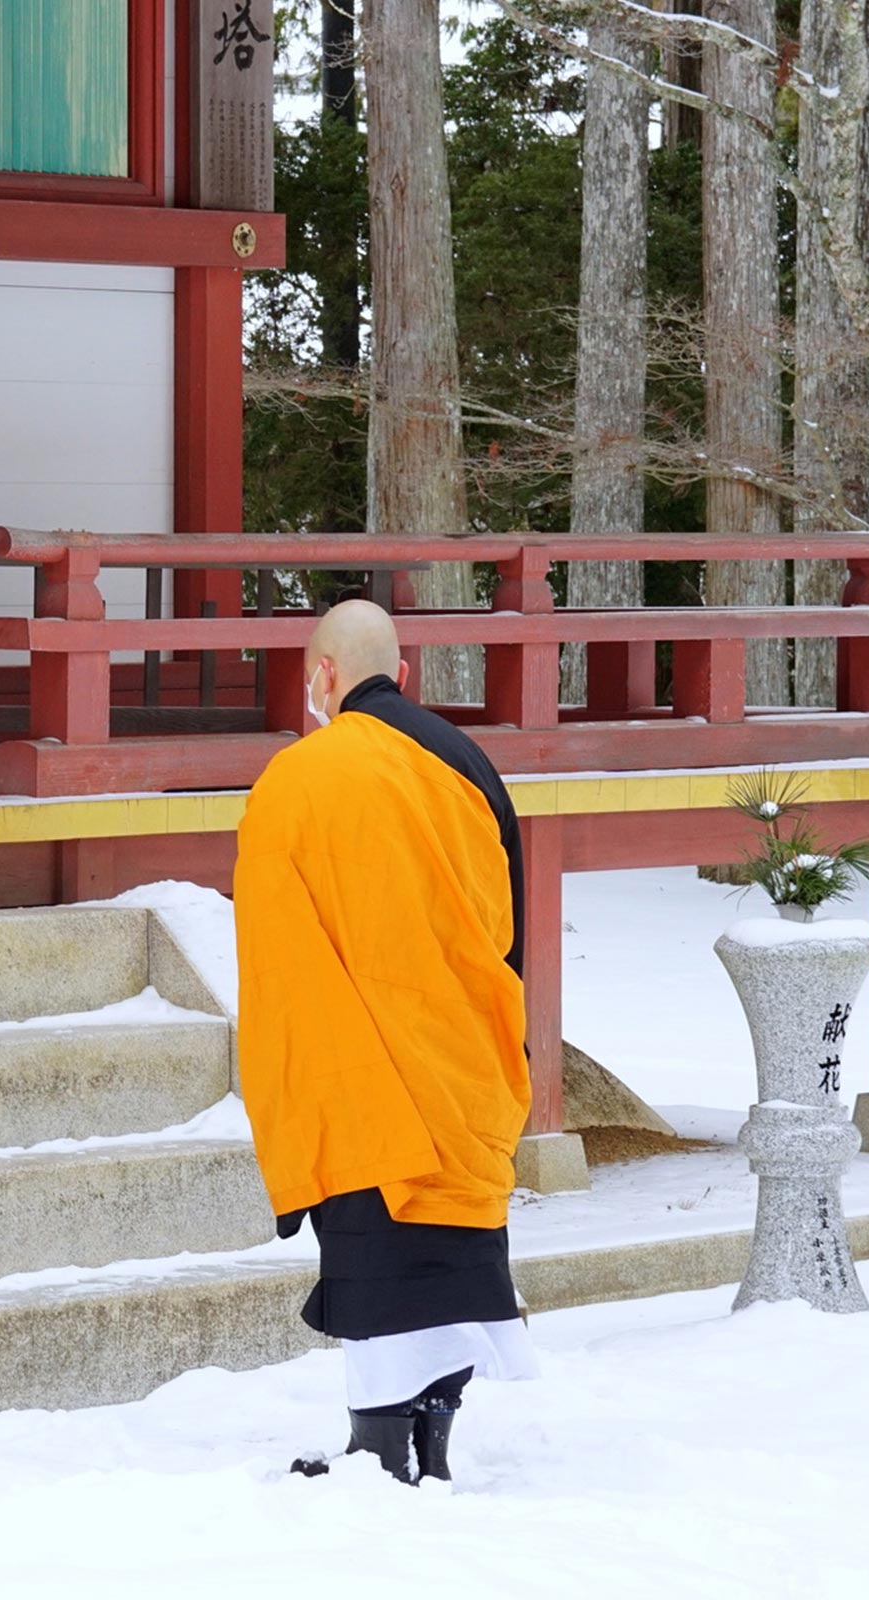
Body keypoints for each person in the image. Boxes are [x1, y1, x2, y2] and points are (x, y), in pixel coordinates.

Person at [233, 600, 538, 1486]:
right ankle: (431, 1436)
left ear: (322, 677)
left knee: (374, 1250)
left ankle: (379, 1451)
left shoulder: (300, 776)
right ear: (399, 676)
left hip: (356, 1063)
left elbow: (275, 937)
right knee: (451, 1253)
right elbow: (503, 923)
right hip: (458, 1054)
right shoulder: (464, 760)